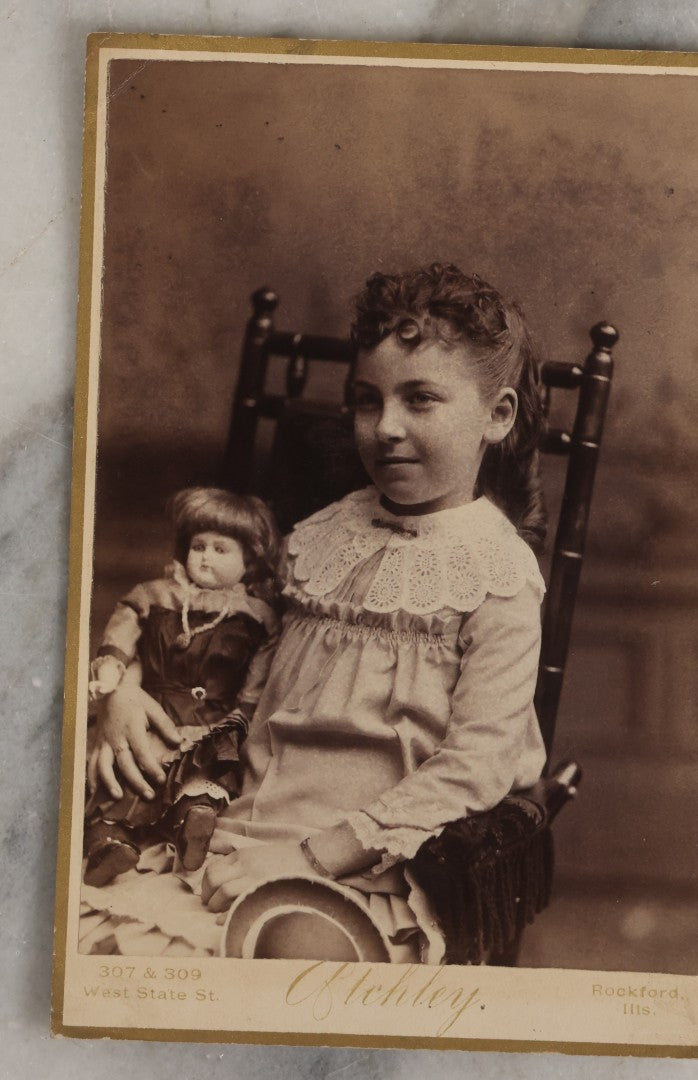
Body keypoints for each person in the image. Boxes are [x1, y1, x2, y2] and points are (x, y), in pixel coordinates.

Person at [86, 263, 548, 962]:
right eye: (367, 400)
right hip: (226, 825)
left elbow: (476, 767)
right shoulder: (315, 539)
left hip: (367, 861)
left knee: (286, 958)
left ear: (496, 415)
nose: (386, 427)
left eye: (420, 400)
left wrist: (314, 858)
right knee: (88, 937)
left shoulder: (498, 579)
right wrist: (120, 690)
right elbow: (206, 644)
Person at [83, 487, 280, 885]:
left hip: (214, 721)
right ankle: (110, 841)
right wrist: (112, 671)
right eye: (198, 546)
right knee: (129, 776)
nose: (205, 556)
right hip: (153, 711)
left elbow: (258, 680)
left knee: (204, 779)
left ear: (250, 561)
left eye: (220, 549)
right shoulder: (155, 595)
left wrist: (243, 721)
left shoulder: (257, 617)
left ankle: (193, 823)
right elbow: (123, 629)